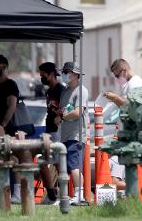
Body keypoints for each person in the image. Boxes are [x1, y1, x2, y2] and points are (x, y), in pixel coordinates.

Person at [55, 62, 89, 205]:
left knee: (74, 166)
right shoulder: (66, 90)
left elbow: (77, 112)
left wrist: (62, 116)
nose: (65, 74)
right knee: (68, 167)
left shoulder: (81, 90)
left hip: (76, 135)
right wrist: (58, 114)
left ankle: (79, 194)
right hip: (65, 135)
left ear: (75, 74)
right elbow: (64, 110)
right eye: (64, 71)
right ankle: (70, 195)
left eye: (67, 72)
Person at [38, 62, 64, 204]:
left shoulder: (61, 90)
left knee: (59, 164)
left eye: (43, 75)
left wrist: (60, 117)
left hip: (57, 132)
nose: (41, 78)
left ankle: (63, 194)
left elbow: (66, 110)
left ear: (52, 74)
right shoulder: (49, 91)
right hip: (49, 131)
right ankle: (52, 194)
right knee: (43, 162)